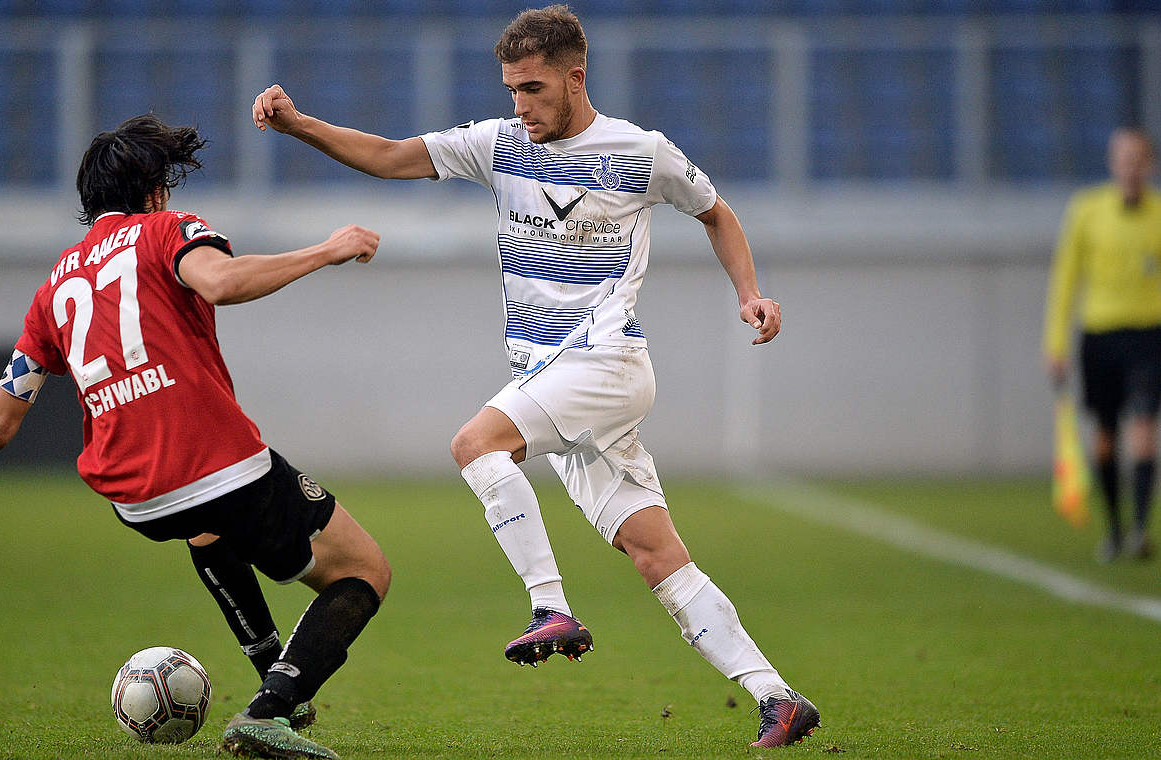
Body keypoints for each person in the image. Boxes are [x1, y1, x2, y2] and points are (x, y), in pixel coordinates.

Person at [251, 5, 817, 748]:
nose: (520, 105)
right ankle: (776, 695)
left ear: (575, 78)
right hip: (555, 379)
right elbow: (391, 156)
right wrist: (300, 126)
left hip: (606, 362)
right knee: (655, 554)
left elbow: (717, 214)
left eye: (533, 89)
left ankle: (549, 605)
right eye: (512, 89)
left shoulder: (642, 152)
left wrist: (749, 292)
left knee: (474, 444)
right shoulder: (500, 144)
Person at [0, 114, 388, 760]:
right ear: (154, 191)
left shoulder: (55, 287)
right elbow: (220, 281)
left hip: (134, 495)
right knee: (363, 570)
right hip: (214, 461)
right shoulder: (169, 230)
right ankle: (268, 709)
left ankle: (278, 677)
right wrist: (325, 250)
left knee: (208, 525)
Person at [1043, 127, 1161, 564]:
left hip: (1147, 335)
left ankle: (1140, 528)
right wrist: (1056, 342)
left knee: (1144, 426)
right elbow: (1066, 278)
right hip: (1100, 335)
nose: (1131, 165)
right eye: (1123, 157)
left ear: (1151, 164)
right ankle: (1115, 529)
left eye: (1139, 157)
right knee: (1105, 436)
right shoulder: (1087, 210)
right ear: (1111, 162)